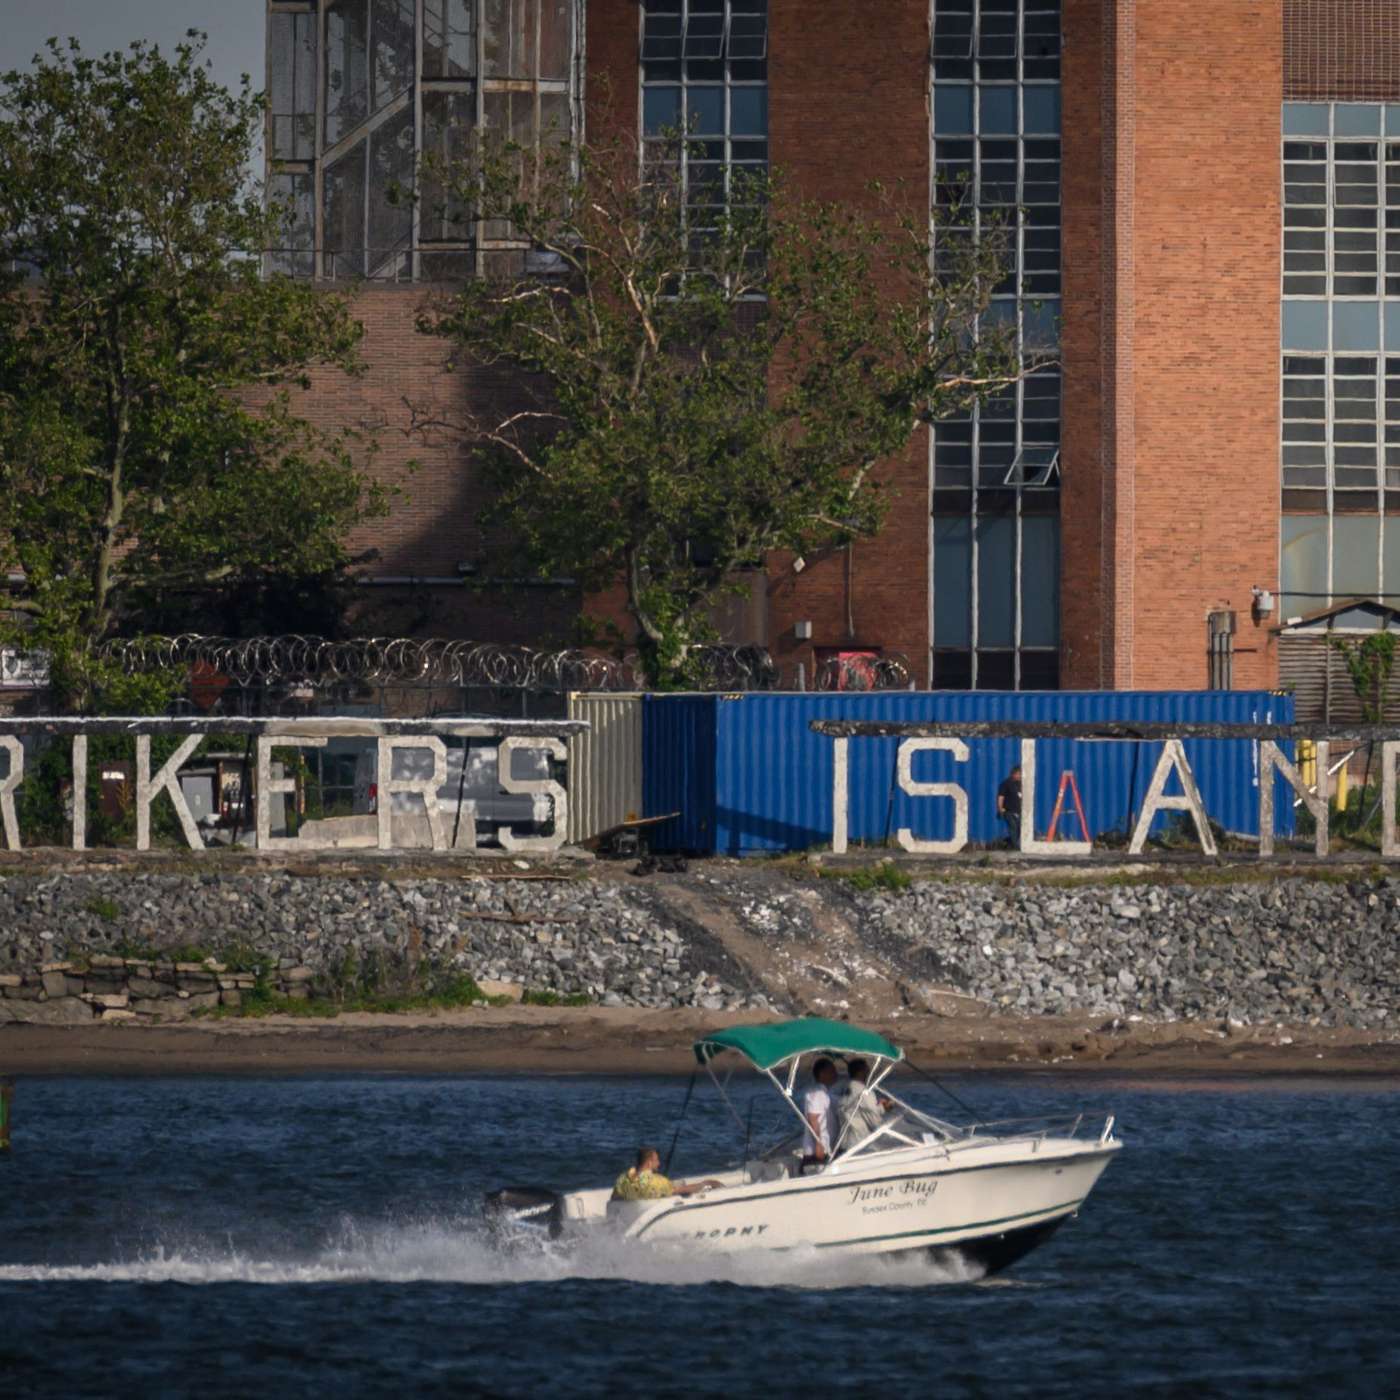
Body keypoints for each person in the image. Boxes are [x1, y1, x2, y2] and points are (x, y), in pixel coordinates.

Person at [612, 1145, 721, 1201]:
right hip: (655, 1198)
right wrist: (705, 1183)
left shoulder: (623, 1179)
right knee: (681, 1186)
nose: (659, 1163)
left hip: (637, 1202)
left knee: (678, 1183)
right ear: (649, 1163)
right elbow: (681, 1190)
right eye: (657, 1160)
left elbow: (615, 1198)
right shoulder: (655, 1182)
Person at [835, 1057, 894, 1149]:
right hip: (859, 1145)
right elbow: (875, 1121)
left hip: (844, 1144)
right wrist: (886, 1107)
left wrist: (880, 1107)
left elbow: (860, 1110)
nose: (868, 1073)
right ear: (860, 1072)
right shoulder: (864, 1092)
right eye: (867, 1070)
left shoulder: (845, 1089)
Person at [800, 1057, 840, 1170]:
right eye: (832, 1071)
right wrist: (819, 1145)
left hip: (824, 1149)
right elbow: (813, 1118)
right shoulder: (817, 1093)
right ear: (822, 1074)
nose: (836, 1073)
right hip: (816, 1153)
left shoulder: (825, 1094)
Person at [997, 764, 1022, 847]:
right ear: (1013, 774)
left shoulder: (1020, 784)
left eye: (1021, 774)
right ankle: (1015, 847)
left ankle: (1007, 842)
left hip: (1018, 811)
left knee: (1019, 829)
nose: (1020, 776)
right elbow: (1001, 796)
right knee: (1013, 827)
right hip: (1008, 811)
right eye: (1018, 774)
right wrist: (1000, 808)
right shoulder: (1006, 784)